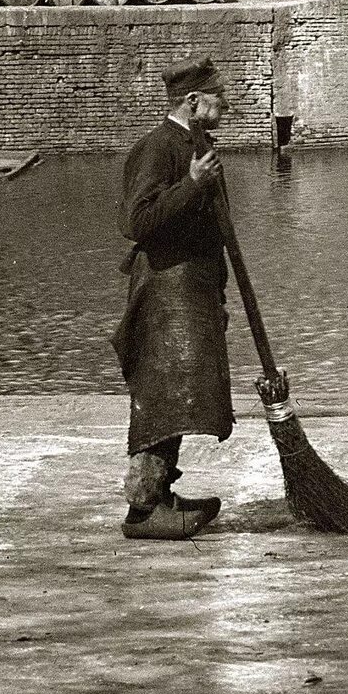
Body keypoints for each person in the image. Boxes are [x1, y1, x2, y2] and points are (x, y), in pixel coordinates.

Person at [113, 57, 235, 539]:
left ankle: (160, 492)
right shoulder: (158, 148)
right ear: (193, 101)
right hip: (166, 292)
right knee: (162, 394)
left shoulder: (197, 145)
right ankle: (143, 510)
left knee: (181, 396)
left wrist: (219, 291)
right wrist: (192, 185)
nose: (226, 103)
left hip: (192, 290)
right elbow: (135, 223)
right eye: (218, 95)